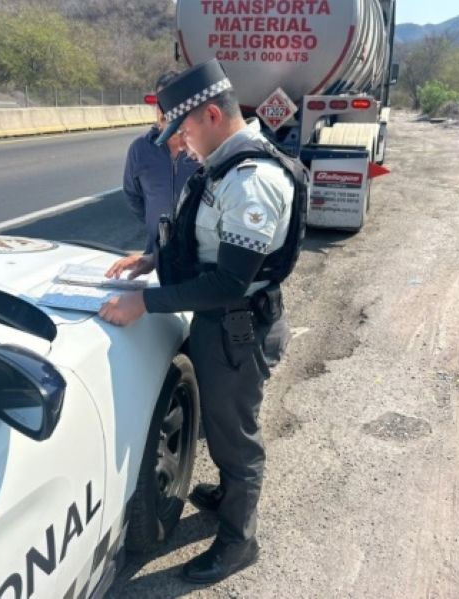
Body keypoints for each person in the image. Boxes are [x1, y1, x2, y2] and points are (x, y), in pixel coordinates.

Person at [98, 59, 305, 584]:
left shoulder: (252, 181)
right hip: (221, 325)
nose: (179, 142)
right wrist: (152, 262)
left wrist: (146, 301)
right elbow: (204, 245)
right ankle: (229, 494)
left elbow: (228, 283)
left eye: (184, 129)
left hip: (239, 327)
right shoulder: (222, 165)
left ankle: (239, 541)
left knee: (236, 436)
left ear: (212, 114)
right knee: (218, 420)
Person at [123, 71, 199, 254]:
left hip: (198, 255)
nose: (167, 109)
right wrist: (154, 223)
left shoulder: (203, 148)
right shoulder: (140, 149)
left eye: (175, 101)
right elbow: (133, 195)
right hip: (156, 253)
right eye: (162, 102)